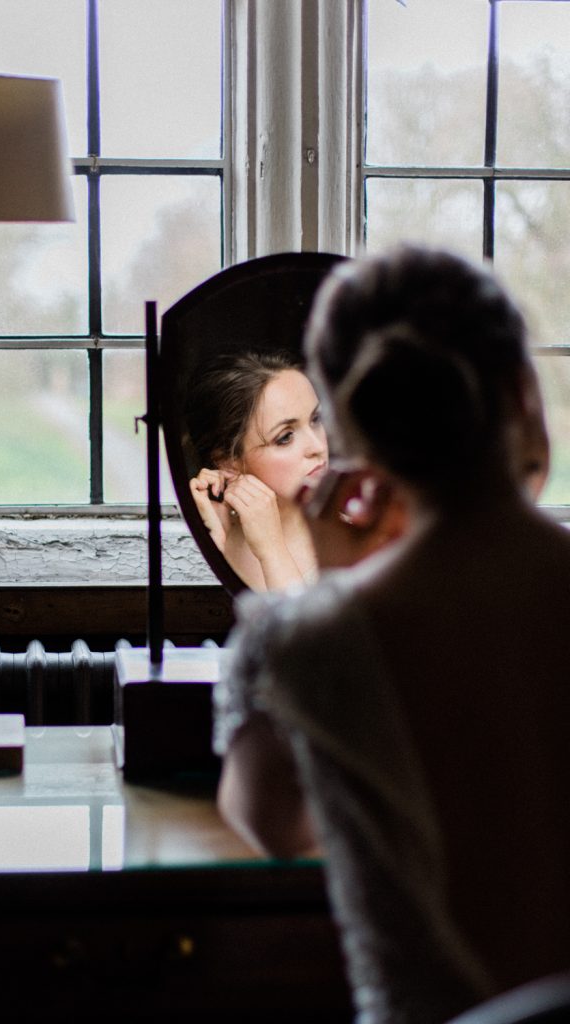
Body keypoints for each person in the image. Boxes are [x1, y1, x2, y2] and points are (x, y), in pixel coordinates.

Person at [212, 245, 566, 1024]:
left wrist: (331, 582)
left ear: (353, 432)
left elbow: (274, 824)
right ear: (519, 392)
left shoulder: (309, 643)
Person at [184, 349, 329, 591]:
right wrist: (217, 543)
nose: (318, 446)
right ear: (228, 460)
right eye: (285, 437)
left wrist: (272, 549)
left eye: (316, 419)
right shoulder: (214, 541)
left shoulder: (360, 538)